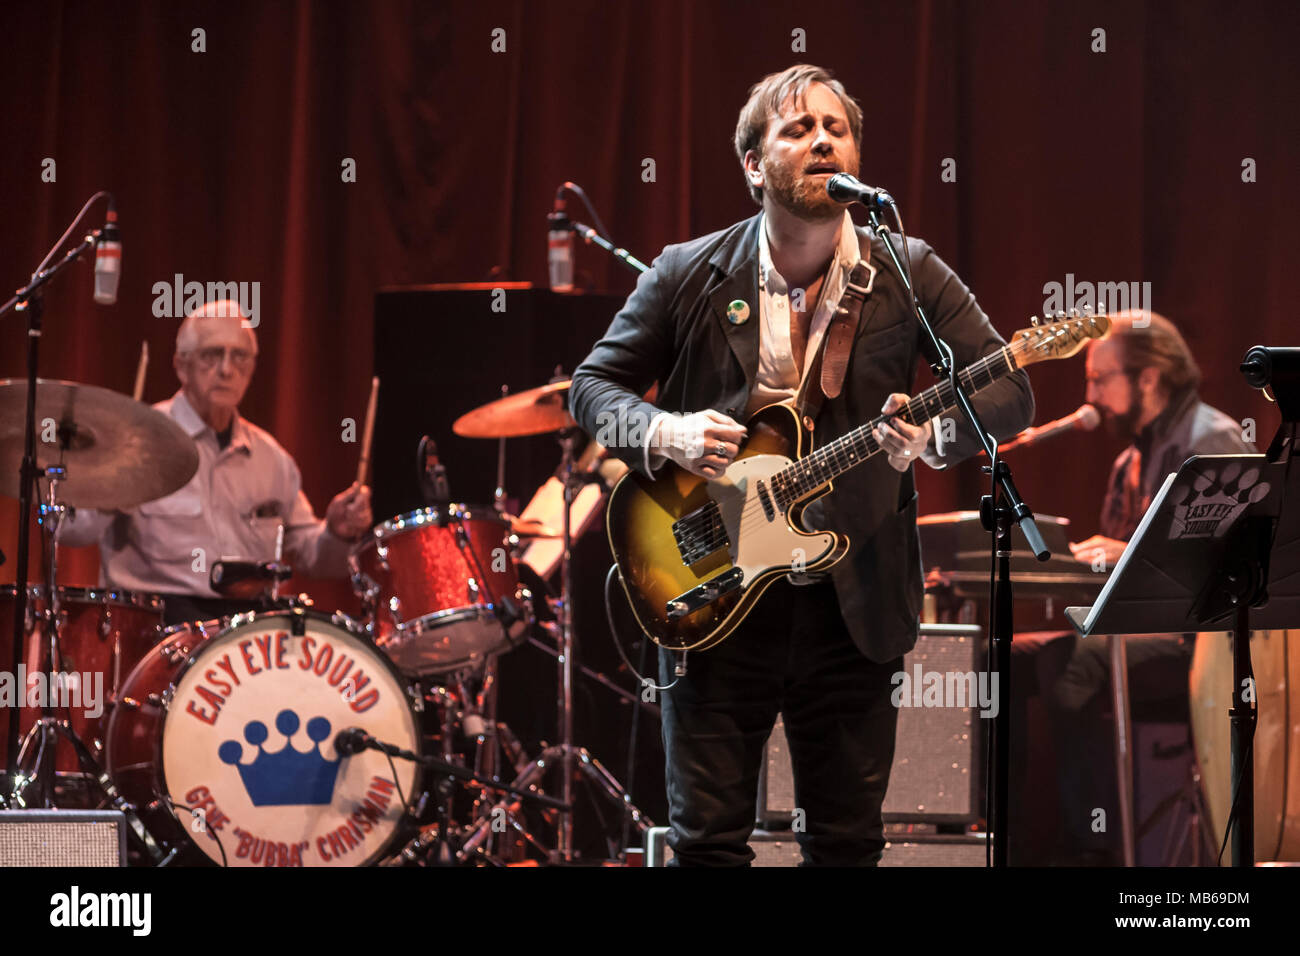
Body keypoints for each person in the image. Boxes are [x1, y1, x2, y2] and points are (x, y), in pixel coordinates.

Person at [569, 64, 1034, 866]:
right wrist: (667, 433)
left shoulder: (908, 270)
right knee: (708, 845)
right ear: (754, 164)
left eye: (837, 128)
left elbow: (1009, 392)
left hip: (853, 606)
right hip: (712, 587)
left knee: (848, 845)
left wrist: (934, 439)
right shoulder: (688, 271)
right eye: (798, 128)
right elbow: (592, 387)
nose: (823, 139)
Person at [1012, 310, 1253, 864]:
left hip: (1203, 642)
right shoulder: (1130, 461)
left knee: (1070, 662)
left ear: (1148, 378)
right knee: (1007, 657)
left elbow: (1230, 572)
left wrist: (1126, 555)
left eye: (1100, 378)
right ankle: (1005, 841)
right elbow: (1117, 583)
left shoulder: (1210, 441)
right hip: (1146, 630)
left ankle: (1090, 848)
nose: (1089, 392)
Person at [60, 300, 372, 625]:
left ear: (251, 368)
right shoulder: (135, 440)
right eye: (212, 355)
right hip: (157, 628)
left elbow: (315, 558)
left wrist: (337, 532)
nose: (226, 369)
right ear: (182, 366)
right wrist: (112, 486)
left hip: (248, 635)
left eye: (239, 356)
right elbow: (71, 531)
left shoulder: (272, 459)